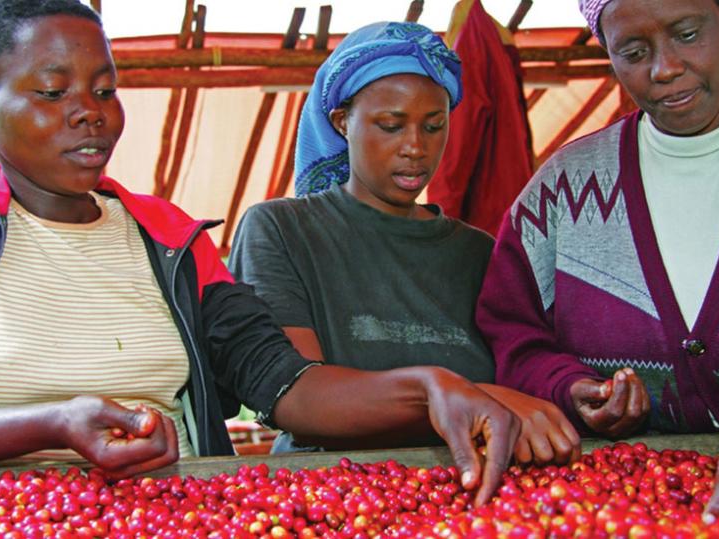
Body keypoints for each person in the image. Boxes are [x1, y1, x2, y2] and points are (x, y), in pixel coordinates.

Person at [0, 0, 521, 505]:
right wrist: (51, 422)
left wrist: (432, 387)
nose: (92, 112)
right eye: (54, 91)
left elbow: (287, 386)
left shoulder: (170, 242)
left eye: (105, 90)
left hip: (172, 513)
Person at [229, 21, 580, 466]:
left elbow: (526, 362)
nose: (415, 147)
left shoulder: (480, 254)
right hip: (333, 489)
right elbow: (300, 395)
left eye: (433, 126)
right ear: (342, 122)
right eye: (391, 125)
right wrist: (464, 396)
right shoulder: (283, 230)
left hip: (476, 486)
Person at [475, 0, 719, 516]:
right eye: (633, 51)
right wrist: (570, 388)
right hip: (623, 511)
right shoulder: (559, 192)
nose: (665, 68)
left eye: (688, 34)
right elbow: (512, 337)